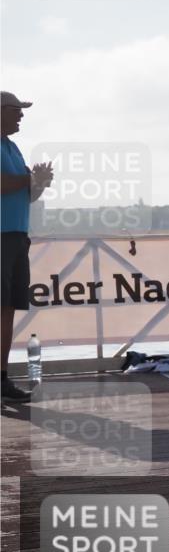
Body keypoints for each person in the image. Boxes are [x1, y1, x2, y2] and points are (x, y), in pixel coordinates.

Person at [1, 91, 53, 403]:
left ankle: (2, 378)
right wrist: (28, 179)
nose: (21, 115)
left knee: (7, 310)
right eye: (16, 110)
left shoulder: (13, 147)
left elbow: (23, 195)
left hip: (16, 237)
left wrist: (38, 183)